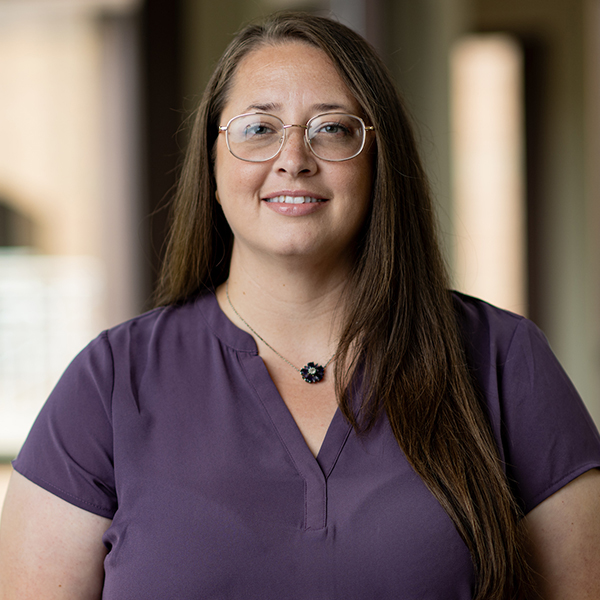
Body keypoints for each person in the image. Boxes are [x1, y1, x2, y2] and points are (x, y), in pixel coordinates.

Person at [1, 11, 599, 600]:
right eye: (258, 128)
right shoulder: (110, 383)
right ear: (212, 166)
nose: (294, 158)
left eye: (332, 129)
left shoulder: (502, 359)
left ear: (377, 161)